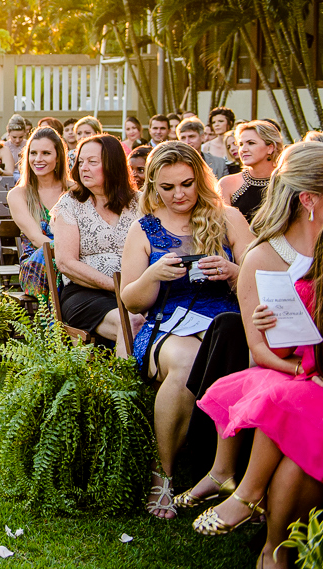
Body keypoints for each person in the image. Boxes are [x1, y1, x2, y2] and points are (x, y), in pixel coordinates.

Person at [174, 142, 323, 514]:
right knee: (282, 396)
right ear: (309, 200)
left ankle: (250, 504)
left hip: (307, 370)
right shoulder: (263, 257)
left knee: (287, 400)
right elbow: (262, 351)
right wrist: (299, 366)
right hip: (289, 367)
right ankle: (252, 506)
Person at [119, 141, 253, 519]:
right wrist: (153, 275)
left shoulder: (228, 218)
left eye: (187, 184)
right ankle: (162, 475)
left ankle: (235, 471)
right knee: (186, 362)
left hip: (226, 324)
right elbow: (131, 301)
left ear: (201, 179)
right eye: (168, 187)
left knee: (236, 355)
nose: (179, 194)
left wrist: (233, 272)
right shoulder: (144, 229)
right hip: (167, 324)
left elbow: (260, 278)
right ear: (153, 187)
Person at [191, 232, 323, 565]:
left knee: (290, 410)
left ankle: (268, 536)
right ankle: (273, 543)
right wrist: (270, 327)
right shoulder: (312, 281)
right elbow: (286, 349)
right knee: (284, 406)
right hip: (311, 379)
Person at [51, 134, 144, 353]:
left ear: (113, 165)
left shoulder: (140, 202)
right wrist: (116, 286)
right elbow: (65, 262)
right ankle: (123, 376)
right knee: (131, 322)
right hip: (85, 294)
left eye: (92, 162)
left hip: (139, 290)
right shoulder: (71, 203)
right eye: (81, 162)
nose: (84, 168)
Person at [7, 127, 70, 302]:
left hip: (72, 262)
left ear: (58, 157)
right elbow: (36, 238)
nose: (38, 159)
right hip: (37, 265)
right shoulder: (18, 195)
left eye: (46, 153)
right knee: (49, 255)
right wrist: (70, 258)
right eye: (33, 153)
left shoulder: (73, 190)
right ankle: (54, 319)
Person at [219, 120, 283, 223]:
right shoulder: (227, 184)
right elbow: (222, 226)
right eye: (240, 144)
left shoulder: (287, 183)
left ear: (270, 148)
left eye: (251, 143)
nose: (243, 149)